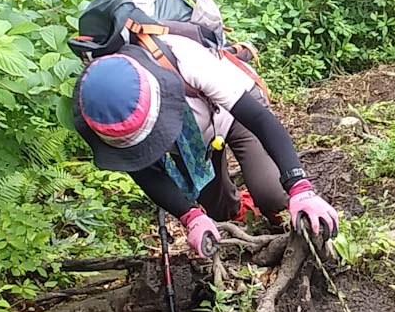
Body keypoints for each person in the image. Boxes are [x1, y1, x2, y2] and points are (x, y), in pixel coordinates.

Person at [72, 33, 338, 258]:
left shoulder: (185, 60)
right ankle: (243, 208)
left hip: (233, 116)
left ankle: (274, 209)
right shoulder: (99, 113)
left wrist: (299, 186)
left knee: (272, 194)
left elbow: (259, 120)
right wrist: (190, 216)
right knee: (218, 212)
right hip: (194, 145)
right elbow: (143, 171)